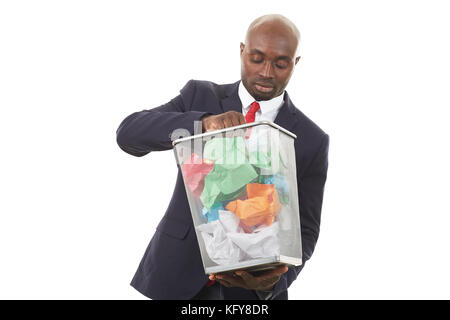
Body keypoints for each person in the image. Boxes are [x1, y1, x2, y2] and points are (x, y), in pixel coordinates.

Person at [116, 14, 329, 300]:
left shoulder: (312, 138)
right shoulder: (199, 97)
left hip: (250, 293)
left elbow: (306, 230)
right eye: (256, 58)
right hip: (175, 275)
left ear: (295, 63)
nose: (266, 72)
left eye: (280, 63)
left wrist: (272, 284)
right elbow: (129, 134)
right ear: (242, 51)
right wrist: (201, 123)